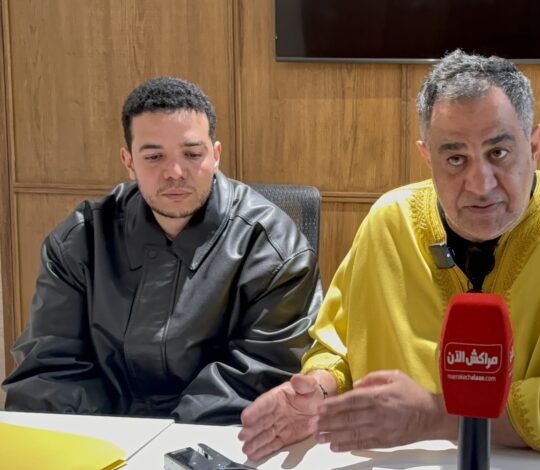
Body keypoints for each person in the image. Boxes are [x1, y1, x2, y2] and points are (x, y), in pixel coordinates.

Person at [239, 50, 540, 458]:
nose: (480, 184)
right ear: (427, 157)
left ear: (535, 145)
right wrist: (320, 392)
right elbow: (339, 349)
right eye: (455, 158)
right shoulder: (390, 221)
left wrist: (435, 416)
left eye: (498, 153)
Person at [2, 77, 323, 424]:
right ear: (129, 161)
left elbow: (264, 373)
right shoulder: (81, 240)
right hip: (103, 436)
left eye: (192, 154)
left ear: (216, 155)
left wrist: (170, 441)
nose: (174, 172)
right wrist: (112, 439)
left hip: (214, 439)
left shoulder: (273, 248)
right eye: (154, 156)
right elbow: (50, 368)